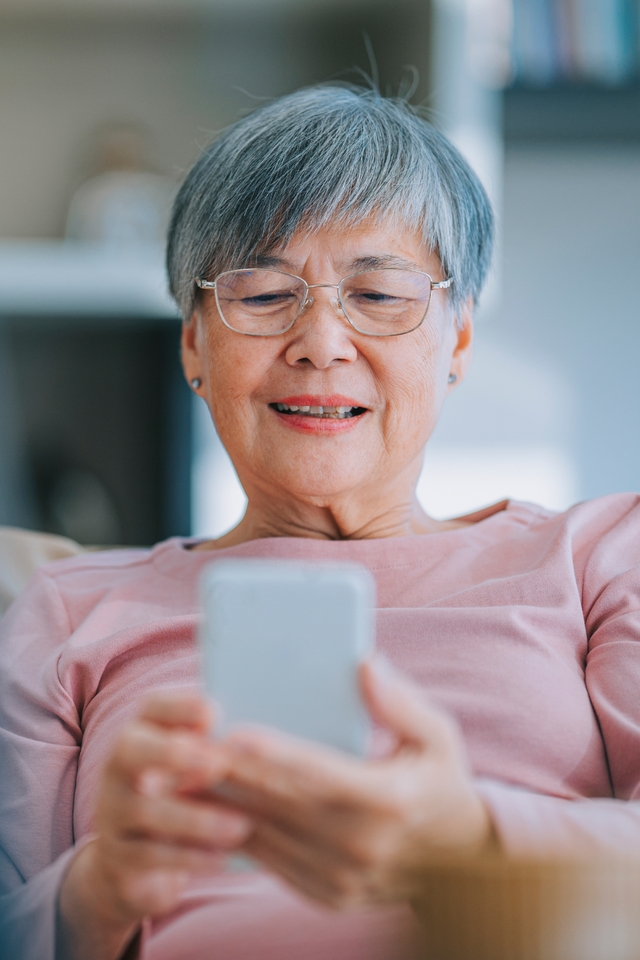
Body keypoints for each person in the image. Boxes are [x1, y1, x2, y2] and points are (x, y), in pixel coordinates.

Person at [2, 84, 640, 960]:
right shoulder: (64, 612)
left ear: (456, 340)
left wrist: (469, 835)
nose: (321, 341)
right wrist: (101, 885)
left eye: (378, 295)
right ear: (194, 342)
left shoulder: (596, 559)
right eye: (263, 294)